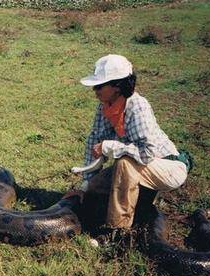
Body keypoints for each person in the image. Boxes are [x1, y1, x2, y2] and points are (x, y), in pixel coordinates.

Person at [64, 55, 191, 242]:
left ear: (117, 86)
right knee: (95, 186)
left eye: (99, 86)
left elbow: (147, 152)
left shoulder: (137, 107)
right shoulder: (105, 106)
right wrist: (85, 184)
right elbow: (94, 140)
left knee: (124, 163)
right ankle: (141, 199)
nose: (94, 90)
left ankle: (116, 231)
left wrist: (110, 147)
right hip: (141, 165)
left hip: (168, 167)